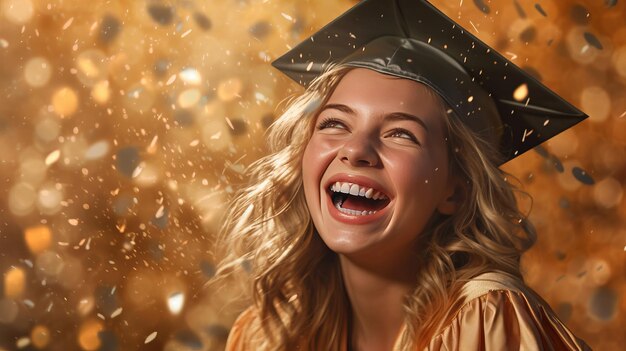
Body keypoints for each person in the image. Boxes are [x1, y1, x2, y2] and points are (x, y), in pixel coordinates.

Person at [216, 0, 591, 350]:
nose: (355, 150)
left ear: (455, 192)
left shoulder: (487, 320)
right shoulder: (268, 333)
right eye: (334, 123)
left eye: (401, 134)